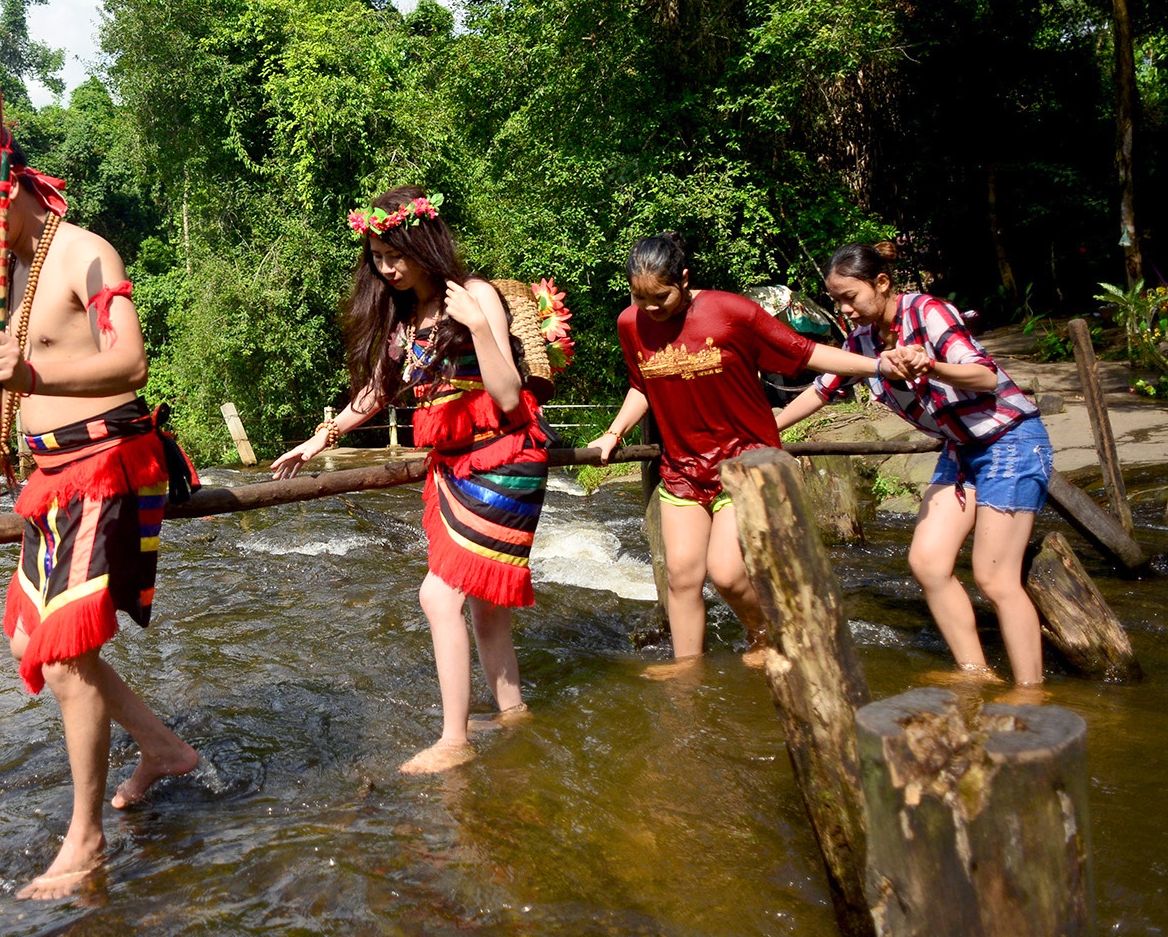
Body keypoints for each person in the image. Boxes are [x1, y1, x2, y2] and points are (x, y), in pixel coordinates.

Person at [0, 115, 199, 900]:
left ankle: (86, 839)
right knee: (33, 645)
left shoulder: (84, 252)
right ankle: (163, 748)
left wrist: (34, 382)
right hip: (48, 483)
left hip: (105, 468)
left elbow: (131, 361)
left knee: (67, 652)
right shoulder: (6, 279)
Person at [273, 187, 549, 775]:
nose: (387, 267)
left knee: (437, 594)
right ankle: (512, 711)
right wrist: (318, 439)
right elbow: (373, 394)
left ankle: (454, 741)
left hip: (503, 458)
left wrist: (477, 326)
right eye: (376, 256)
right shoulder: (405, 318)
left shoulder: (474, 296)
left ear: (423, 242)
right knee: (485, 606)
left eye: (394, 253)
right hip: (453, 465)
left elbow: (505, 394)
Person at [587, 232, 908, 673]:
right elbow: (641, 383)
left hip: (746, 462)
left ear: (684, 278)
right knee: (681, 579)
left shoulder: (732, 312)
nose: (651, 309)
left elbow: (807, 352)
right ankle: (688, 670)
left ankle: (766, 636)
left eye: (660, 297)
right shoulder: (631, 323)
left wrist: (878, 365)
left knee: (728, 574)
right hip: (683, 469)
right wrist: (613, 432)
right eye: (639, 298)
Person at [775, 242, 1054, 686]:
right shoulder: (862, 341)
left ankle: (1030, 692)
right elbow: (822, 389)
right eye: (837, 301)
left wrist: (932, 366)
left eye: (851, 297)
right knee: (927, 563)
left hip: (1010, 442)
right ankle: (977, 673)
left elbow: (986, 376)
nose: (845, 309)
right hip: (961, 452)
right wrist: (767, 432)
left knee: (995, 577)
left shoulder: (927, 312)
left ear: (881, 283)